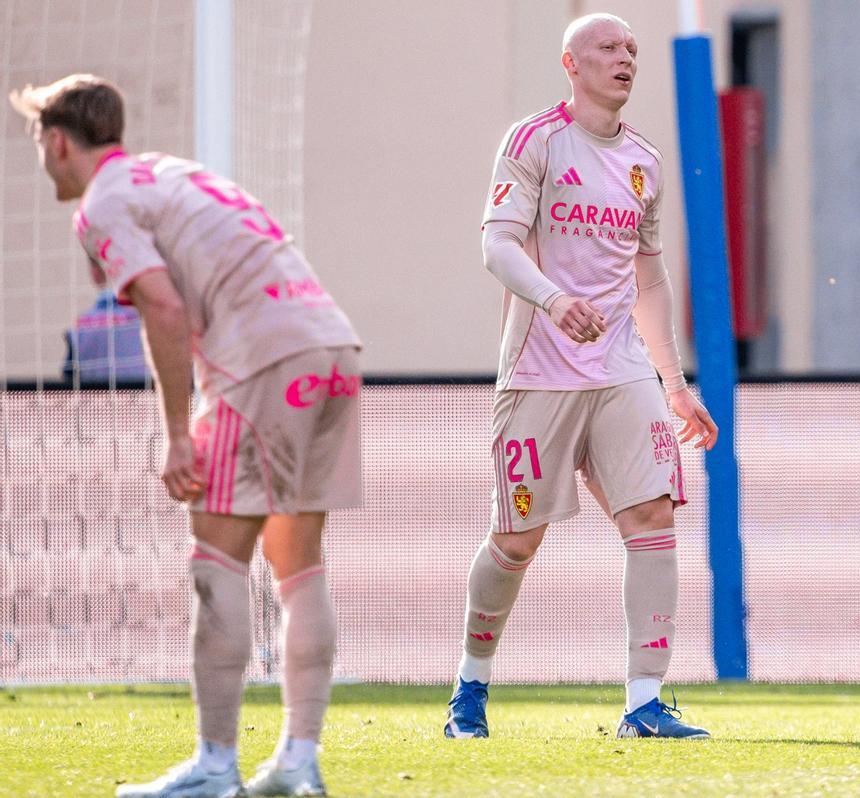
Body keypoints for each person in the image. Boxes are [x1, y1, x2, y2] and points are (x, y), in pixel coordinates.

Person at [11, 74, 362, 798]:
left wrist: (177, 434)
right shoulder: (173, 172)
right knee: (299, 566)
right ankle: (298, 761)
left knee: (215, 564)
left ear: (56, 142)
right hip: (331, 349)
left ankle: (214, 766)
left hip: (259, 362)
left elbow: (164, 310)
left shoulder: (102, 204)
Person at [443, 13, 718, 741]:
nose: (624, 58)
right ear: (571, 63)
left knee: (652, 518)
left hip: (622, 369)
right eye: (608, 47)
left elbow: (649, 278)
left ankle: (643, 702)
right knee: (516, 539)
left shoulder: (644, 162)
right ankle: (469, 690)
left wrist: (674, 382)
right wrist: (554, 299)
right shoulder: (535, 140)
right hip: (538, 371)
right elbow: (497, 245)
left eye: (631, 49)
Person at [62, 259, 150, 385]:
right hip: (147, 402)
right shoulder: (151, 319)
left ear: (95, 274)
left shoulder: (81, 326)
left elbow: (69, 379)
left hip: (98, 403)